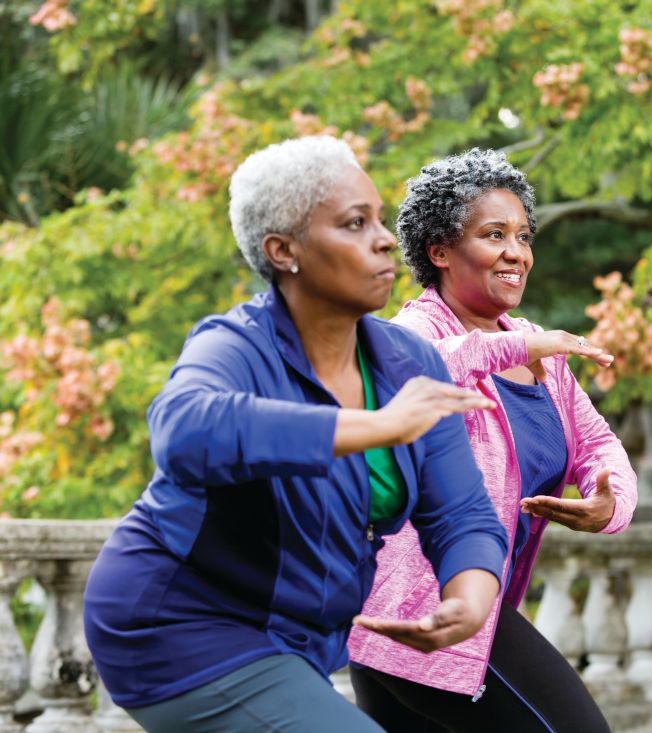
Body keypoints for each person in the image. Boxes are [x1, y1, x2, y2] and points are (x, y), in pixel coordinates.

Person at [83, 136, 509, 733]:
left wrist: (468, 601)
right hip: (176, 626)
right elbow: (183, 431)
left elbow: (463, 514)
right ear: (284, 251)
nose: (385, 238)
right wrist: (375, 427)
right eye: (355, 223)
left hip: (296, 638)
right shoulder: (234, 345)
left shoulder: (409, 363)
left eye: (380, 219)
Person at [346, 148, 638, 732]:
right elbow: (424, 368)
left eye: (523, 236)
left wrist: (609, 504)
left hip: (464, 605)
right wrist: (522, 348)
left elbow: (598, 445)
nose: (517, 253)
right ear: (440, 251)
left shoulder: (538, 349)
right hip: (418, 605)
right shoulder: (411, 332)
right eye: (494, 234)